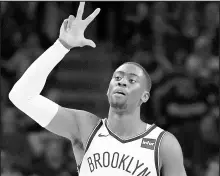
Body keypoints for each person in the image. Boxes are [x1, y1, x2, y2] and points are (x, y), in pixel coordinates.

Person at [9, 2, 187, 176]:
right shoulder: (85, 126)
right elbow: (22, 96)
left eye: (132, 80)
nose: (122, 82)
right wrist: (61, 46)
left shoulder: (164, 144)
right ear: (108, 90)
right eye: (117, 78)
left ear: (145, 96)